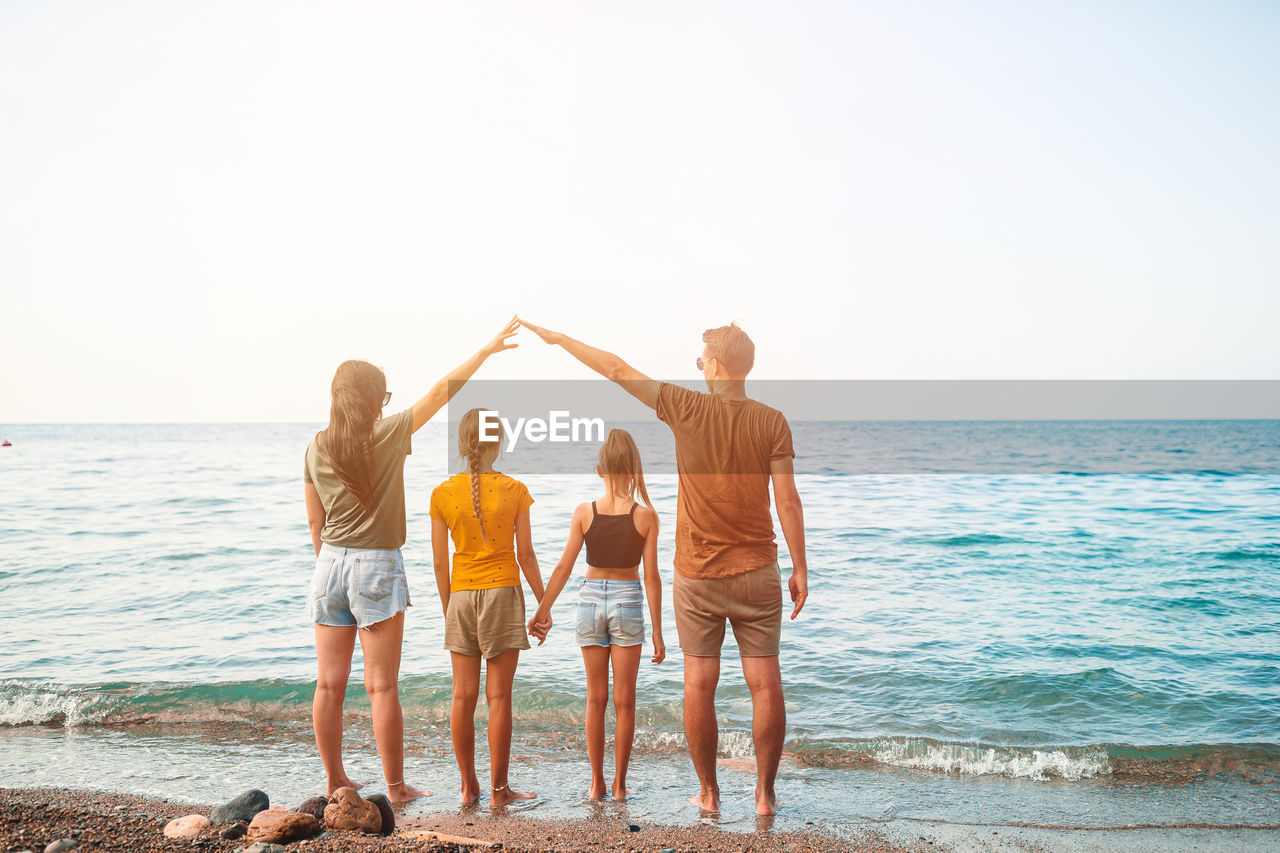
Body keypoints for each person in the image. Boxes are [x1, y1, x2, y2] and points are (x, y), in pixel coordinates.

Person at [516, 317, 807, 817]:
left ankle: (710, 794)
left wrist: (560, 338)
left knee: (699, 683)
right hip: (758, 567)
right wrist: (800, 565)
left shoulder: (685, 406)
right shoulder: (772, 420)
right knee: (765, 682)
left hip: (697, 577)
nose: (699, 371)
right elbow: (787, 500)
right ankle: (764, 795)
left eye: (701, 363)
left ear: (714, 366)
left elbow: (614, 367)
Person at [303, 317, 519, 803]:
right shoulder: (389, 434)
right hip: (375, 564)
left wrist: (332, 563)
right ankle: (396, 788)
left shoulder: (316, 446)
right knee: (381, 687)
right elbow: (444, 390)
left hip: (328, 566)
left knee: (328, 683)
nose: (388, 405)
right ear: (372, 400)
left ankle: (336, 780)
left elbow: (315, 524)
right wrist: (484, 351)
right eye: (383, 398)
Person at [526, 429, 665, 801]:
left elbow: (562, 568)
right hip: (628, 601)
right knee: (625, 701)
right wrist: (658, 632)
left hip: (589, 600)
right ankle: (619, 786)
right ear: (634, 470)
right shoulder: (647, 516)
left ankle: (596, 783)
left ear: (599, 469)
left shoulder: (584, 512)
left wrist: (541, 611)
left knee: (595, 699)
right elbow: (651, 578)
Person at [430, 407, 546, 807]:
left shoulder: (442, 494)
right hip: (501, 593)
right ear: (497, 442)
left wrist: (450, 609)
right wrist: (544, 604)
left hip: (460, 596)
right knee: (499, 699)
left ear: (463, 445)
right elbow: (526, 555)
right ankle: (499, 792)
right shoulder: (515, 490)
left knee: (462, 697)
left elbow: (439, 563)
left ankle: (467, 789)